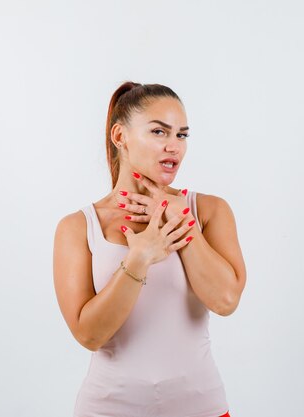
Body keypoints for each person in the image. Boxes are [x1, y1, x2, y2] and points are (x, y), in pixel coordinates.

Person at [53, 81, 247, 417]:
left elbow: (225, 300)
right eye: (159, 132)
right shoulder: (78, 227)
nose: (174, 146)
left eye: (181, 135)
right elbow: (90, 335)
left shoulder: (209, 211)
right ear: (120, 137)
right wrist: (140, 257)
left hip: (201, 408)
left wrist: (181, 221)